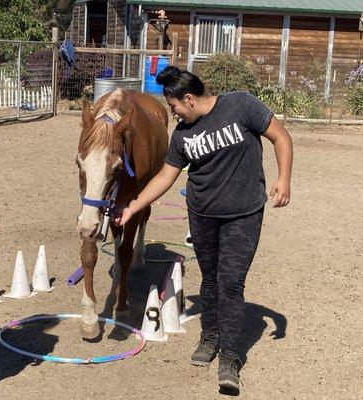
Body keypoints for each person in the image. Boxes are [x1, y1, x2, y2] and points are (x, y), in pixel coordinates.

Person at [115, 66, 293, 391]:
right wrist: (133, 207)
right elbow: (166, 177)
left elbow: (280, 136)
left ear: (189, 98)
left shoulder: (241, 106)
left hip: (244, 213)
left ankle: (230, 355)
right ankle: (209, 337)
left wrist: (283, 179)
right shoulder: (182, 135)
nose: (174, 114)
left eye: (175, 107)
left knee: (231, 282)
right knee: (210, 279)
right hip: (202, 214)